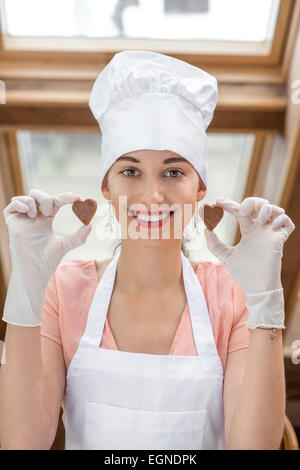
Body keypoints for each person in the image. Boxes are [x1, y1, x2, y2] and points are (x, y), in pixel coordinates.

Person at [0, 51, 295, 450]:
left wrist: (265, 305)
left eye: (174, 172)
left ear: (200, 188)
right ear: (107, 186)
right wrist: (26, 290)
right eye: (130, 171)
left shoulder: (231, 295)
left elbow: (254, 447)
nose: (153, 195)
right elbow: (22, 442)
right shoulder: (64, 291)